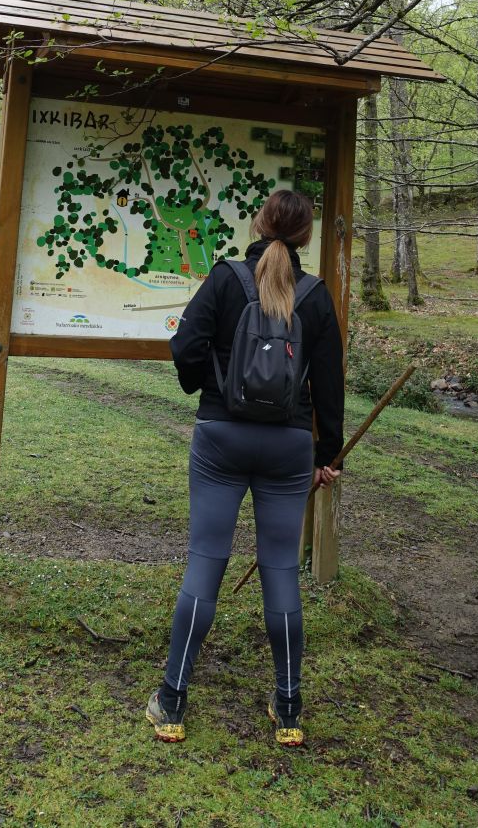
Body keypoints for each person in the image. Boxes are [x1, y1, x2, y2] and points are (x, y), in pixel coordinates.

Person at [145, 189, 344, 747]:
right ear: (305, 237)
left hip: (220, 439)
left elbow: (185, 345)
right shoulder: (316, 296)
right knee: (281, 571)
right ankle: (288, 711)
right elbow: (328, 383)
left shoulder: (227, 277)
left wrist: (210, 390)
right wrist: (327, 454)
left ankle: (173, 702)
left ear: (259, 224)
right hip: (287, 448)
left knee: (205, 564)